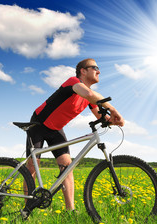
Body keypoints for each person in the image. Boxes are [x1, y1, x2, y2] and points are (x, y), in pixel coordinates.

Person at [25, 58, 124, 211]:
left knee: (67, 167)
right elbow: (89, 93)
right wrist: (113, 109)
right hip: (38, 124)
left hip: (56, 129)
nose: (99, 71)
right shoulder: (73, 82)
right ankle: (27, 208)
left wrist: (112, 121)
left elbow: (100, 116)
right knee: (32, 166)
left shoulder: (89, 98)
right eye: (95, 67)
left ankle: (70, 211)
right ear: (83, 71)